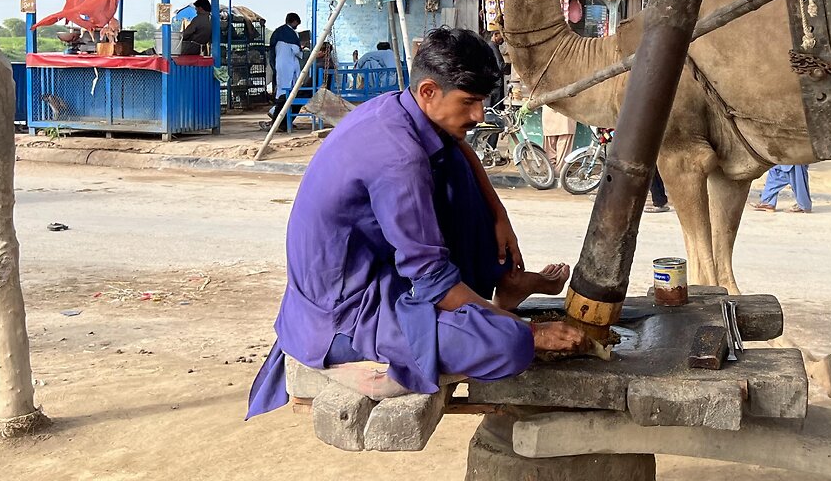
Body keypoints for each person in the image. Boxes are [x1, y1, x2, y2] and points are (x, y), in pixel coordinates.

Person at [246, 27, 584, 419]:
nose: (478, 115)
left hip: (382, 273)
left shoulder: (398, 108)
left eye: (483, 102)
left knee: (456, 163)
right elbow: (434, 283)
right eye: (470, 102)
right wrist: (530, 332)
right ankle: (498, 316)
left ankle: (499, 286)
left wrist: (499, 214)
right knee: (509, 345)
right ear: (428, 91)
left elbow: (459, 147)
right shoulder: (397, 157)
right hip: (343, 313)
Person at [269, 13, 303, 95]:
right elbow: (296, 51)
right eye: (297, 24)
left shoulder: (277, 32)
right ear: (295, 21)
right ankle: (288, 104)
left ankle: (279, 103)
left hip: (278, 62)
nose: (296, 26)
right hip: (289, 64)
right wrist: (301, 51)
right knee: (290, 85)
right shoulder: (292, 34)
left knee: (280, 85)